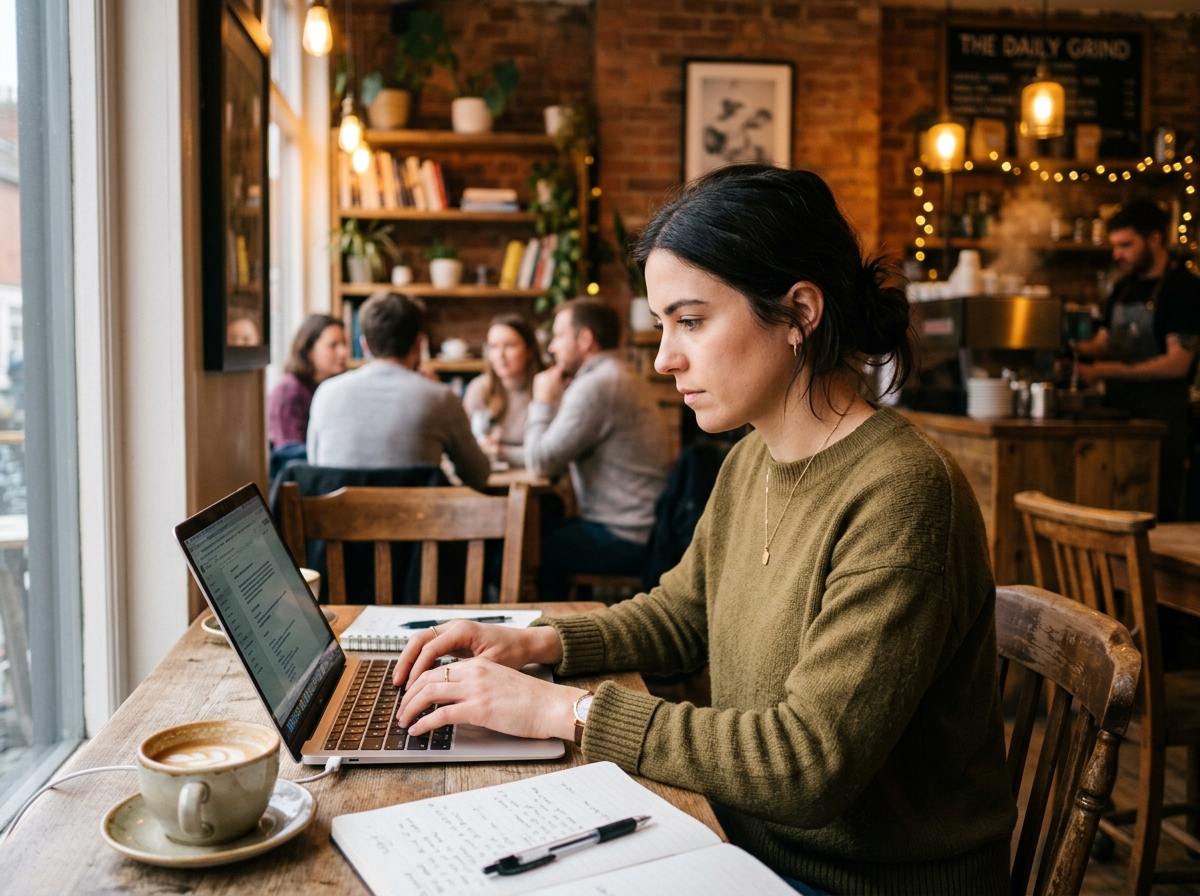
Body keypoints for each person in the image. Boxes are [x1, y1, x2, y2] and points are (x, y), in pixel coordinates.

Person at [390, 165, 1016, 895]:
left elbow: (805, 764)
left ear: (798, 314)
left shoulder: (905, 492)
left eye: (690, 320)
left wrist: (564, 709)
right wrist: (538, 641)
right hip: (739, 839)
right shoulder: (753, 456)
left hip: (860, 882)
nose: (665, 358)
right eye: (663, 325)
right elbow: (683, 615)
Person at [524, 298, 671, 599]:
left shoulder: (596, 385)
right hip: (647, 529)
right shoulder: (619, 376)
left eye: (558, 336)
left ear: (585, 339)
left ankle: (545, 638)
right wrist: (501, 450)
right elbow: (556, 449)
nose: (552, 347)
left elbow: (540, 463)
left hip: (625, 536)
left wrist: (541, 400)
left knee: (521, 547)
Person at [1074, 199, 1200, 521]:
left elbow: (1178, 363)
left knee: (1155, 513)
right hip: (1118, 414)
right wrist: (1066, 348)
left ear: (1155, 239)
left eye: (1126, 245)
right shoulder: (1123, 288)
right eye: (1115, 245)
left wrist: (1104, 371)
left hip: (1162, 420)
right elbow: (1103, 344)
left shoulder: (1183, 289)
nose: (1117, 254)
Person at [306, 291, 491, 490]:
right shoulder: (440, 398)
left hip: (336, 520)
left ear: (365, 345)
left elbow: (316, 465)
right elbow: (477, 476)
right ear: (419, 344)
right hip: (417, 520)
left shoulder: (325, 393)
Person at [461, 313, 543, 467]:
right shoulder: (479, 389)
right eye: (493, 347)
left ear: (530, 350)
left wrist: (502, 452)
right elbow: (463, 444)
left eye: (509, 346)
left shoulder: (545, 389)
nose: (500, 355)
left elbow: (548, 454)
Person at [268, 313, 349, 450]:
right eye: (333, 345)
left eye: (344, 344)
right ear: (309, 351)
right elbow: (289, 454)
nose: (343, 352)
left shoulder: (335, 388)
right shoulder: (288, 392)